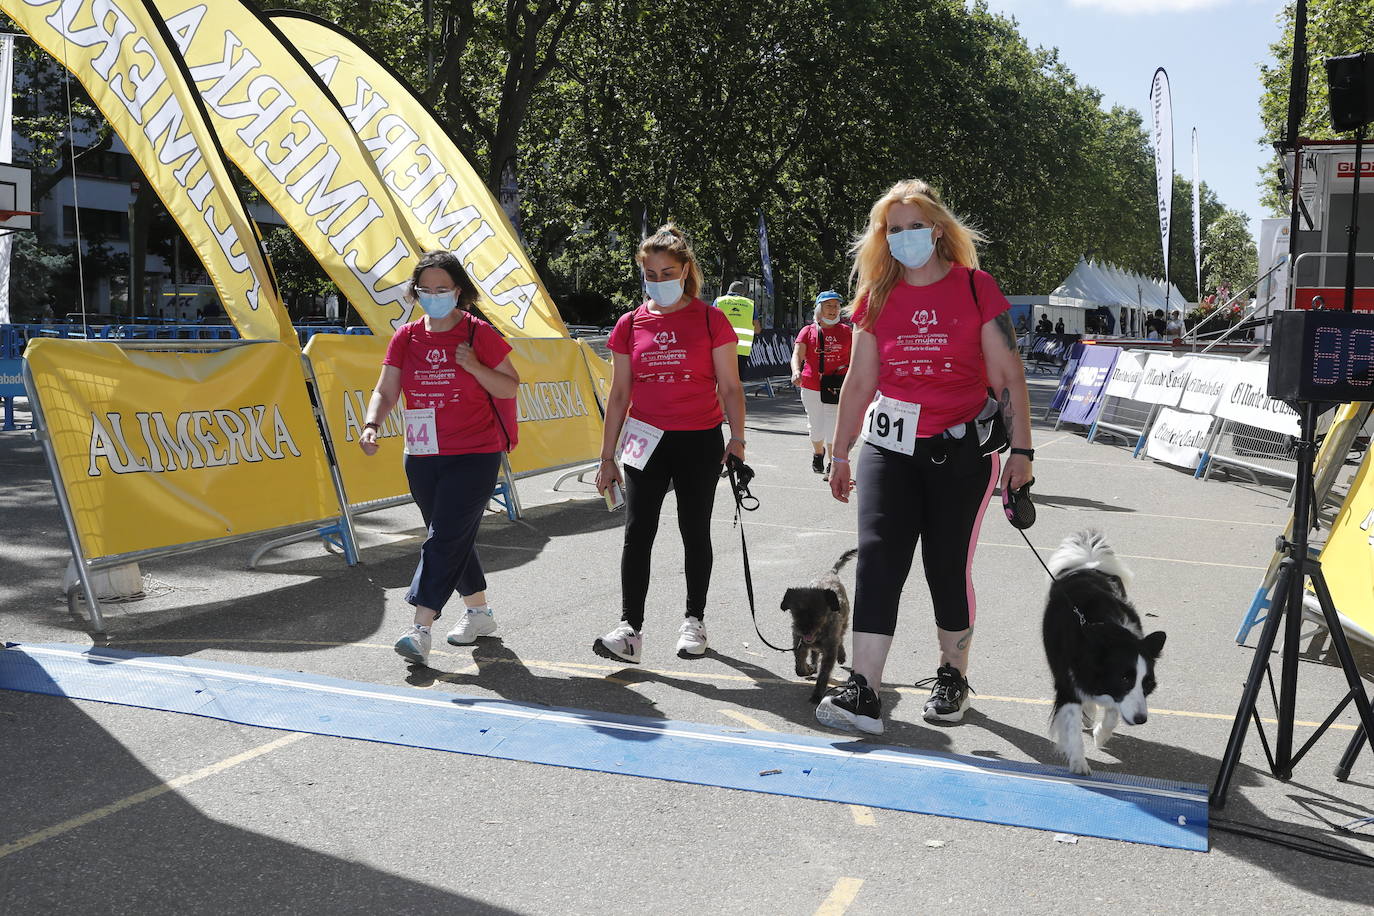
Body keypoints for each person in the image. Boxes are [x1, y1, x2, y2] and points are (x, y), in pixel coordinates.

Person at [815, 179, 1034, 735]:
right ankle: (864, 689)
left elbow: (1008, 375)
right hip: (889, 449)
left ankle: (951, 674)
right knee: (878, 559)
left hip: (959, 453)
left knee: (945, 567)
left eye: (916, 227)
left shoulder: (976, 287)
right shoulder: (876, 297)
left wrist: (1022, 452)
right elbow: (861, 380)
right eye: (894, 230)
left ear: (937, 230)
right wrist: (840, 452)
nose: (905, 238)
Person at [359, 250, 520, 667]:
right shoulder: (408, 337)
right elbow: (386, 388)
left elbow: (508, 387)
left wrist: (474, 367)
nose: (432, 296)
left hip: (475, 452)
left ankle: (420, 626)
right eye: (424, 290)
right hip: (422, 452)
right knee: (451, 535)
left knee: (444, 536)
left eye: (441, 289)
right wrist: (372, 423)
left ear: (458, 291)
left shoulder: (477, 334)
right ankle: (480, 613)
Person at [593, 225, 746, 663]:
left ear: (685, 271)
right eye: (651, 273)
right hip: (645, 440)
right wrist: (607, 457)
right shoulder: (629, 324)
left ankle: (694, 621)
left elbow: (730, 387)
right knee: (637, 531)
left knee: (693, 530)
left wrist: (737, 439)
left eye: (668, 272)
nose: (660, 281)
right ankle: (629, 631)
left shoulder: (710, 319)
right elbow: (619, 394)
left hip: (699, 438)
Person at [790, 290, 852, 480]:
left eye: (836, 306)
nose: (833, 310)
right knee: (815, 425)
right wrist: (796, 371)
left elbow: (856, 357)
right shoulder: (808, 331)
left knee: (833, 424)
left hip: (837, 384)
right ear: (819, 308)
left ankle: (833, 463)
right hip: (811, 384)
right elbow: (797, 355)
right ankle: (818, 453)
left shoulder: (847, 331)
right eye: (828, 306)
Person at [713, 280, 762, 378]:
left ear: (728, 291)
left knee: (720, 379)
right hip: (742, 350)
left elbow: (710, 322)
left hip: (721, 348)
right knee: (736, 380)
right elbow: (757, 329)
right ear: (743, 293)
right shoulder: (750, 304)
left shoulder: (719, 301)